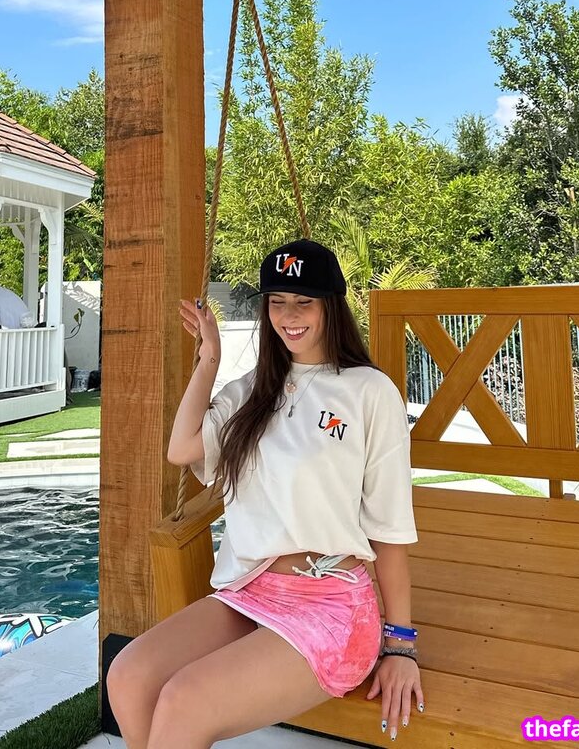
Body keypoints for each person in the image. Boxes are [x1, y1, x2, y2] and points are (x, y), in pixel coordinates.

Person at [107, 238, 423, 749]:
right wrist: (209, 359)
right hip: (251, 588)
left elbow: (390, 530)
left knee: (186, 701)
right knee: (128, 676)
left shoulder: (369, 392)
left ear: (331, 306)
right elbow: (182, 448)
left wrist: (401, 645)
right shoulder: (251, 392)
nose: (289, 316)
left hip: (331, 603)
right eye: (277, 301)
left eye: (303, 302)